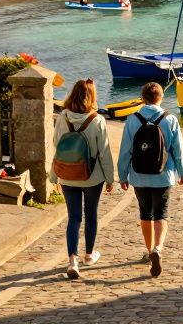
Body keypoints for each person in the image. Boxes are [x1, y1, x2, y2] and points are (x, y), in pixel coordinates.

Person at [117, 82, 183, 278]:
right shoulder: (170, 119)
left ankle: (149, 250)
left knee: (145, 213)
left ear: (142, 98)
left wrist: (122, 175)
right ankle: (158, 248)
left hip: (139, 176)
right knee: (161, 213)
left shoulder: (132, 120)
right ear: (160, 98)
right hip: (163, 175)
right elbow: (177, 150)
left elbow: (126, 151)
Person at [49, 79, 115, 280]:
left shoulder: (63, 117)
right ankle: (88, 255)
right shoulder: (97, 120)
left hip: (68, 174)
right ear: (91, 97)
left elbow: (56, 144)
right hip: (92, 177)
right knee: (91, 214)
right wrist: (110, 178)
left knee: (74, 218)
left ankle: (72, 260)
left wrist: (54, 175)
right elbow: (104, 152)